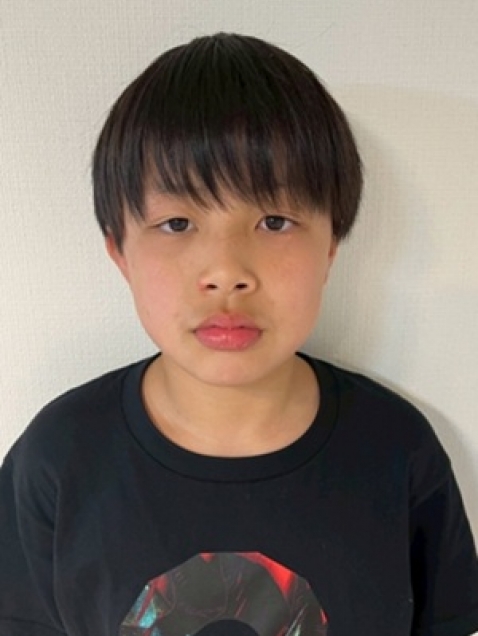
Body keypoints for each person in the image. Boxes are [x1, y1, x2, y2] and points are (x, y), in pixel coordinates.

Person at [0, 32, 477, 636]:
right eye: (178, 223)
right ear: (119, 250)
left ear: (332, 245)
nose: (226, 271)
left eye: (274, 221)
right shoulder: (58, 461)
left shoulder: (396, 451)